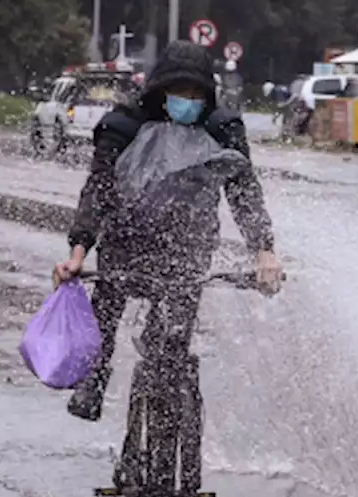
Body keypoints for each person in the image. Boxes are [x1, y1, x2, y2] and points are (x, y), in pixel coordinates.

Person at [52, 40, 282, 422]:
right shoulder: (124, 126)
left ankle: (172, 416)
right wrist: (78, 252)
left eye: (195, 94)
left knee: (172, 342)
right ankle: (93, 381)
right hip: (125, 244)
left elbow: (243, 191)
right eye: (178, 92)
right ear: (159, 91)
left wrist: (264, 251)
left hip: (186, 248)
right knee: (105, 310)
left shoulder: (221, 129)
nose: (186, 101)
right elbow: (98, 190)